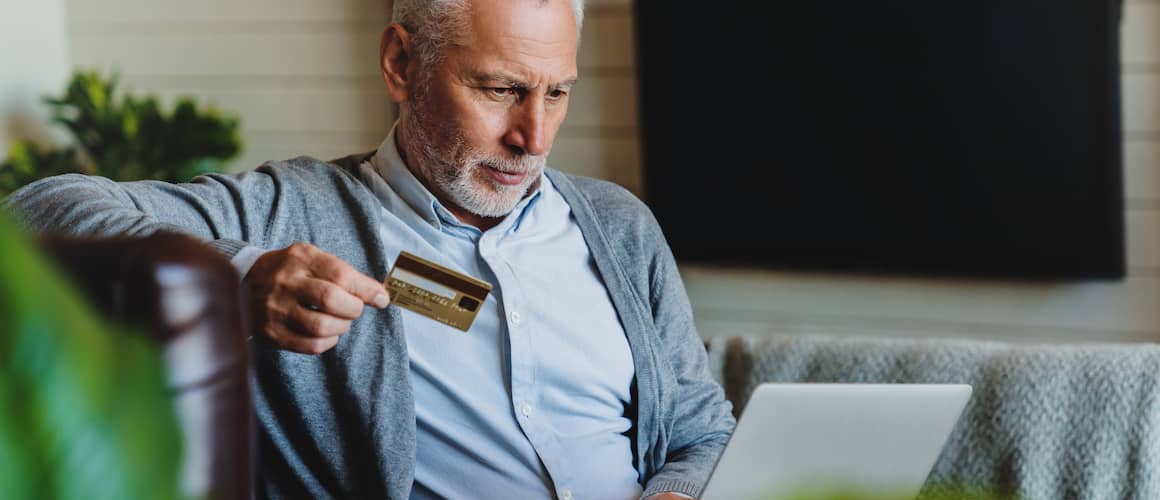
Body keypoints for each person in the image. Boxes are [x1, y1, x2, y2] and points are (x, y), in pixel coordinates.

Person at [4, 0, 735, 498]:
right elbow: (33, 214)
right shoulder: (292, 213)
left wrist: (675, 491)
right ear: (399, 64)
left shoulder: (619, 226)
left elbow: (703, 432)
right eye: (500, 89)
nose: (534, 138)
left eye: (558, 93)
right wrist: (236, 279)